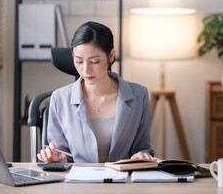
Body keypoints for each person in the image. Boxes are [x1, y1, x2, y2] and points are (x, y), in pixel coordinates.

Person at [37, 21, 155, 163]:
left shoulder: (138, 95)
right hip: (78, 181)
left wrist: (141, 155)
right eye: (79, 61)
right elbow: (62, 153)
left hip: (123, 181)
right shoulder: (59, 99)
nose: (86, 70)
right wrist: (55, 158)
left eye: (94, 61)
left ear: (111, 56)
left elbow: (143, 147)